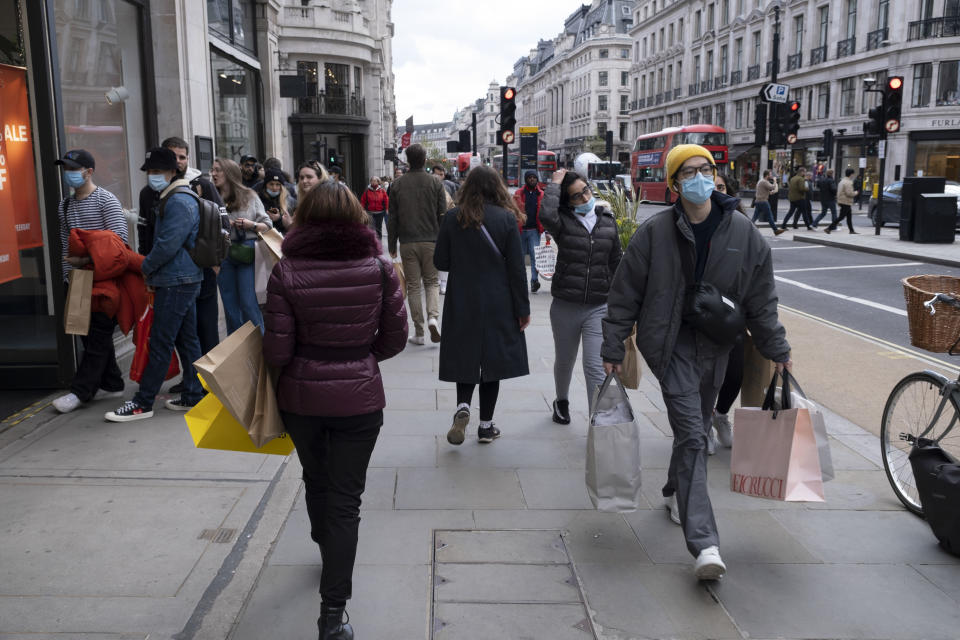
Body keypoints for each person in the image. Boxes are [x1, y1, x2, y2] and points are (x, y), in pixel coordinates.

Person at [600, 144, 792, 580]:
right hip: (669, 346)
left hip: (718, 346)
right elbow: (624, 292)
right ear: (674, 184)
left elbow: (762, 299)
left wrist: (777, 348)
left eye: (705, 169)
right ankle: (705, 543)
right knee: (692, 434)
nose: (699, 177)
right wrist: (613, 347)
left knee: (696, 426)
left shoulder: (744, 234)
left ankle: (672, 490)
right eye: (688, 172)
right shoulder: (655, 233)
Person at [263, 180, 408, 640]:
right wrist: (360, 359)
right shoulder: (379, 267)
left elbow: (278, 351)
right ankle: (332, 614)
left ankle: (326, 545)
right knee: (347, 501)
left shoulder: (286, 271)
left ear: (304, 216)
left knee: (315, 478)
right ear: (356, 214)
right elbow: (395, 337)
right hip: (359, 399)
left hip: (302, 399)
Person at [106, 147, 205, 421]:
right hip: (182, 278)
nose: (152, 176)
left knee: (161, 341)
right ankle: (194, 395)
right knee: (187, 340)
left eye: (157, 171)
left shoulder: (178, 201)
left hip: (177, 280)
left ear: (173, 172)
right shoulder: (175, 197)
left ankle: (143, 402)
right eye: (150, 172)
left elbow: (167, 245)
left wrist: (146, 269)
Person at [434, 166, 530, 445]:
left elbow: (441, 262)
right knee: (492, 361)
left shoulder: (453, 217)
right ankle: (486, 426)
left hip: (462, 298)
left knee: (465, 354)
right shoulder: (506, 219)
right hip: (498, 300)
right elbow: (516, 269)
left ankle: (463, 406)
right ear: (497, 187)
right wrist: (522, 310)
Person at [540, 169, 622, 423]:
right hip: (566, 305)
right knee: (565, 360)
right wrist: (554, 184)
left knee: (595, 367)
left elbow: (617, 262)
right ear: (567, 201)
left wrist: (625, 303)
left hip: (598, 306)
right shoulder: (562, 223)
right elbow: (546, 215)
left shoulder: (607, 221)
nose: (584, 198)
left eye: (585, 190)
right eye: (576, 196)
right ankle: (561, 401)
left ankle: (597, 422)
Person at [52, 149, 129, 414]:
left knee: (98, 334)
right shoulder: (65, 205)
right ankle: (112, 381)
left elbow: (120, 241)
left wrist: (85, 262)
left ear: (89, 171)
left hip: (104, 280)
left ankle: (80, 391)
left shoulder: (106, 200)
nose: (69, 174)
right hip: (76, 280)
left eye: (74, 168)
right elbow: (66, 245)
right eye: (66, 168)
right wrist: (68, 276)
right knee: (87, 334)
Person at [138, 137, 223, 365]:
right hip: (166, 272)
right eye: (173, 156)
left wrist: (215, 263)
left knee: (203, 327)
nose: (178, 162)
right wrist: (147, 264)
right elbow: (145, 231)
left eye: (182, 157)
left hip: (198, 268)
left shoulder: (200, 187)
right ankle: (192, 382)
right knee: (184, 333)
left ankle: (207, 382)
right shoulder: (148, 193)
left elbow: (218, 224)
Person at [387, 143, 447, 345]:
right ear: (424, 159)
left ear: (407, 160)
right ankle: (433, 317)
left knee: (413, 286)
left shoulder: (396, 184)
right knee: (432, 282)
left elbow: (392, 217)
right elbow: (442, 215)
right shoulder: (436, 183)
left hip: (407, 241)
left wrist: (392, 244)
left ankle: (419, 332)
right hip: (431, 240)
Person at [210, 157, 273, 334]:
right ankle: (237, 355)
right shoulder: (210, 196)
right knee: (230, 309)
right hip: (223, 254)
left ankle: (260, 352)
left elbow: (267, 225)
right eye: (212, 170)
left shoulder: (249, 195)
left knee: (248, 303)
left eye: (218, 170)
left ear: (229, 173)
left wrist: (249, 224)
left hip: (246, 251)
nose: (213, 174)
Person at [512, 170, 545, 293]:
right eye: (530, 177)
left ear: (537, 179)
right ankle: (522, 282)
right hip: (520, 230)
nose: (532, 179)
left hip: (534, 231)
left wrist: (546, 231)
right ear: (526, 179)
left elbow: (544, 213)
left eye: (534, 177)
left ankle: (534, 281)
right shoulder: (518, 193)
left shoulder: (541, 194)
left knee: (534, 257)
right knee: (519, 258)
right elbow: (513, 210)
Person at [258, 168, 297, 234]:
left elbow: (294, 225)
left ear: (281, 186)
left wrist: (279, 219)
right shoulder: (259, 200)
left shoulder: (290, 202)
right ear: (265, 185)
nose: (274, 188)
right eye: (271, 184)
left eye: (277, 184)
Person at [827, 168, 860, 234]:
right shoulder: (848, 182)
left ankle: (851, 230)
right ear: (851, 174)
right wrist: (856, 193)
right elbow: (849, 193)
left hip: (842, 201)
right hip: (846, 201)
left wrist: (838, 200)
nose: (853, 175)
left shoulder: (842, 181)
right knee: (841, 217)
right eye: (853, 174)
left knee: (849, 217)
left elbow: (838, 192)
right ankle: (829, 228)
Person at [752, 170, 784, 235]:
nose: (771, 176)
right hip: (763, 202)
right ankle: (775, 230)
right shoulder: (764, 181)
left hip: (758, 201)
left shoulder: (761, 181)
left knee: (755, 217)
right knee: (770, 216)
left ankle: (749, 227)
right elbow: (772, 187)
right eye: (770, 174)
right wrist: (775, 181)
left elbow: (762, 190)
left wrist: (769, 193)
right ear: (767, 175)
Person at [781, 167, 814, 231]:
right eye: (804, 172)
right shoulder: (801, 179)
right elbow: (802, 189)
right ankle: (808, 226)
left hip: (792, 198)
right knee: (804, 213)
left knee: (790, 212)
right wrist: (807, 188)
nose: (805, 173)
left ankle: (783, 225)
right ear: (801, 172)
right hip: (800, 198)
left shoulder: (792, 178)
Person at [360, 176, 389, 240]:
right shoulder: (367, 191)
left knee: (379, 228)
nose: (373, 182)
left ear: (378, 182)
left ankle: (379, 241)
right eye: (372, 181)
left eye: (375, 181)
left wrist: (387, 209)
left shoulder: (382, 191)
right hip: (370, 213)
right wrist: (363, 209)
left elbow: (386, 200)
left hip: (380, 212)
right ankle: (372, 241)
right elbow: (363, 201)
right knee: (371, 228)